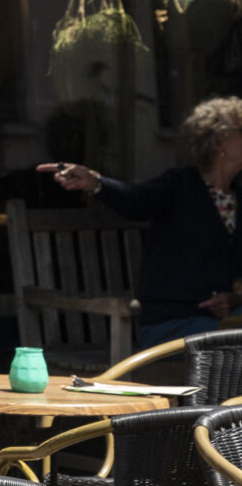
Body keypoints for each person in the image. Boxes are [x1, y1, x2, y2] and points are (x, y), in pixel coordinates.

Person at [40, 96, 242, 351]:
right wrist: (96, 183)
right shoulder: (180, 185)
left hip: (224, 323)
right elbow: (137, 200)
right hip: (174, 324)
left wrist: (234, 298)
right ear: (219, 141)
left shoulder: (237, 197)